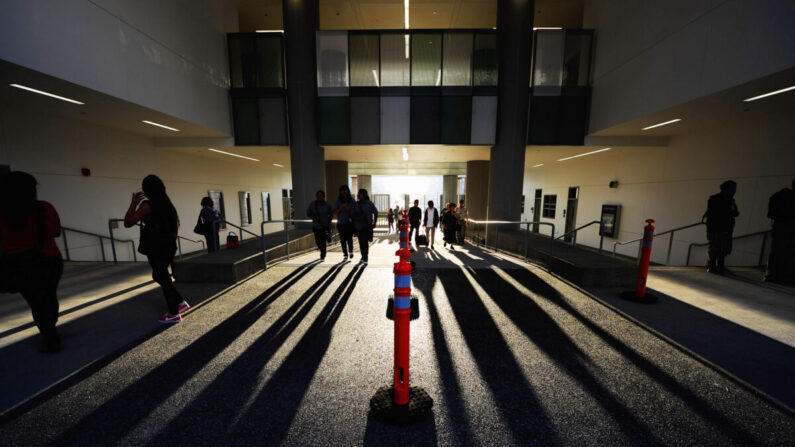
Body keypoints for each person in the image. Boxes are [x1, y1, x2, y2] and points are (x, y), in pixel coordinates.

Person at [0, 172, 64, 353]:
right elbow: (56, 231)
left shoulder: (3, 214)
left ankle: (51, 338)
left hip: (20, 264)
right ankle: (50, 323)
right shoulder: (45, 208)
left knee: (37, 301)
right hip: (50, 259)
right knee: (50, 295)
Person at [125, 175, 189, 323]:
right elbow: (175, 227)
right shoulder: (168, 205)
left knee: (163, 278)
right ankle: (180, 302)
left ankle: (174, 313)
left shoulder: (148, 205)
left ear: (147, 189)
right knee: (160, 276)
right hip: (168, 246)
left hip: (155, 247)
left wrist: (133, 203)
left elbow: (128, 222)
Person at [704, 180, 739, 274]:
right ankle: (711, 266)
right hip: (716, 228)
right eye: (733, 189)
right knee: (714, 248)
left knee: (724, 248)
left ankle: (720, 266)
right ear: (726, 189)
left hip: (727, 228)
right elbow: (714, 213)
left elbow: (735, 212)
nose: (734, 191)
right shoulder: (715, 198)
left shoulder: (731, 200)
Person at [765, 179, 795, 284]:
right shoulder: (790, 198)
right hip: (788, 228)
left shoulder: (781, 195)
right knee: (788, 252)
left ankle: (772, 274)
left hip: (779, 227)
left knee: (776, 251)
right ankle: (784, 275)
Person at [352, 188, 378, 263]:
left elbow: (376, 213)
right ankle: (363, 256)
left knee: (365, 242)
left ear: (363, 195)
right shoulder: (356, 204)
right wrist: (358, 217)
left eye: (359, 194)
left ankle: (365, 256)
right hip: (358, 226)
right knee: (361, 242)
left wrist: (375, 223)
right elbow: (352, 215)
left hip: (367, 226)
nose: (358, 195)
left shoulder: (369, 204)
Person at [307, 190, 333, 261]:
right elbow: (308, 213)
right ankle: (322, 251)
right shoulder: (312, 204)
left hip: (324, 226)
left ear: (323, 196)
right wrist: (313, 217)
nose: (319, 197)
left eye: (320, 195)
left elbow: (330, 215)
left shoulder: (327, 205)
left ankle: (323, 255)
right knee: (318, 241)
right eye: (317, 195)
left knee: (323, 241)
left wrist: (329, 226)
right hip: (316, 226)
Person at [333, 185, 355, 260]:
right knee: (342, 240)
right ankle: (345, 254)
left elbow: (354, 211)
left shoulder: (352, 200)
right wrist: (341, 207)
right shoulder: (338, 201)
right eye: (343, 190)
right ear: (340, 192)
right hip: (341, 223)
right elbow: (335, 212)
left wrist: (348, 208)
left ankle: (351, 251)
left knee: (349, 239)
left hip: (349, 223)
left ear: (348, 191)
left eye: (345, 190)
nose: (344, 192)